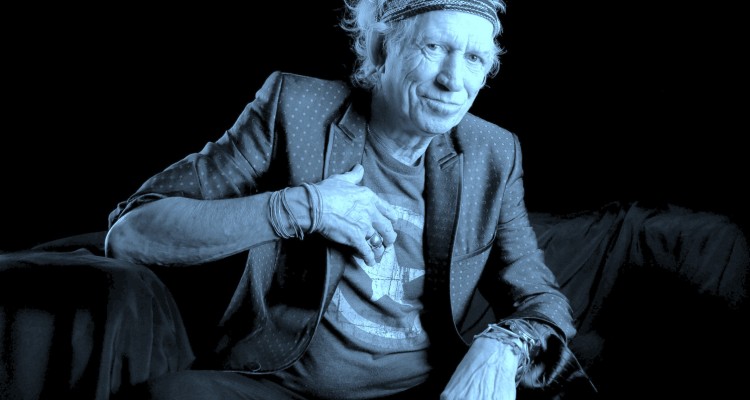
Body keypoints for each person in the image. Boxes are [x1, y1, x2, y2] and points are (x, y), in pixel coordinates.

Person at [105, 0, 593, 398]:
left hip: (420, 391)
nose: (453, 81)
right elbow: (131, 234)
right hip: (278, 385)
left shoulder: (492, 152)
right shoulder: (294, 108)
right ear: (381, 48)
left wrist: (506, 343)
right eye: (434, 47)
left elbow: (538, 297)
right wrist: (303, 208)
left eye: (474, 59)